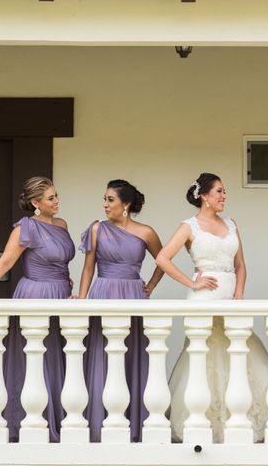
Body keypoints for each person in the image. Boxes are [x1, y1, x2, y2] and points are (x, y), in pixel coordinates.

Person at [0, 177, 75, 443]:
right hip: (35, 295)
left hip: (61, 295)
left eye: (57, 195)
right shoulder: (26, 227)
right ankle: (26, 422)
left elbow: (60, 261)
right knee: (33, 357)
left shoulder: (62, 225)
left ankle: (55, 418)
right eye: (51, 198)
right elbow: (6, 262)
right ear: (35, 203)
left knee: (57, 355)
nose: (57, 201)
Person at [155, 173, 268, 443]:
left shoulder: (231, 224)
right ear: (203, 196)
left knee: (241, 350)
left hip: (231, 296)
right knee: (206, 353)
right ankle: (206, 422)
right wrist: (192, 283)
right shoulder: (189, 226)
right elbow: (162, 258)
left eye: (224, 191)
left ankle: (240, 419)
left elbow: (240, 264)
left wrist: (239, 294)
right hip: (204, 298)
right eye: (218, 191)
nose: (223, 196)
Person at [78, 179, 164, 442]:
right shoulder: (96, 229)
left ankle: (133, 422)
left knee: (132, 354)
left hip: (133, 296)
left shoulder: (146, 232)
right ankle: (98, 421)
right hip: (102, 293)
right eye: (104, 199)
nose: (105, 205)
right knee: (102, 355)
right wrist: (81, 300)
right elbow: (88, 268)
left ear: (125, 205)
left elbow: (163, 261)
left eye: (110, 200)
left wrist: (149, 285)